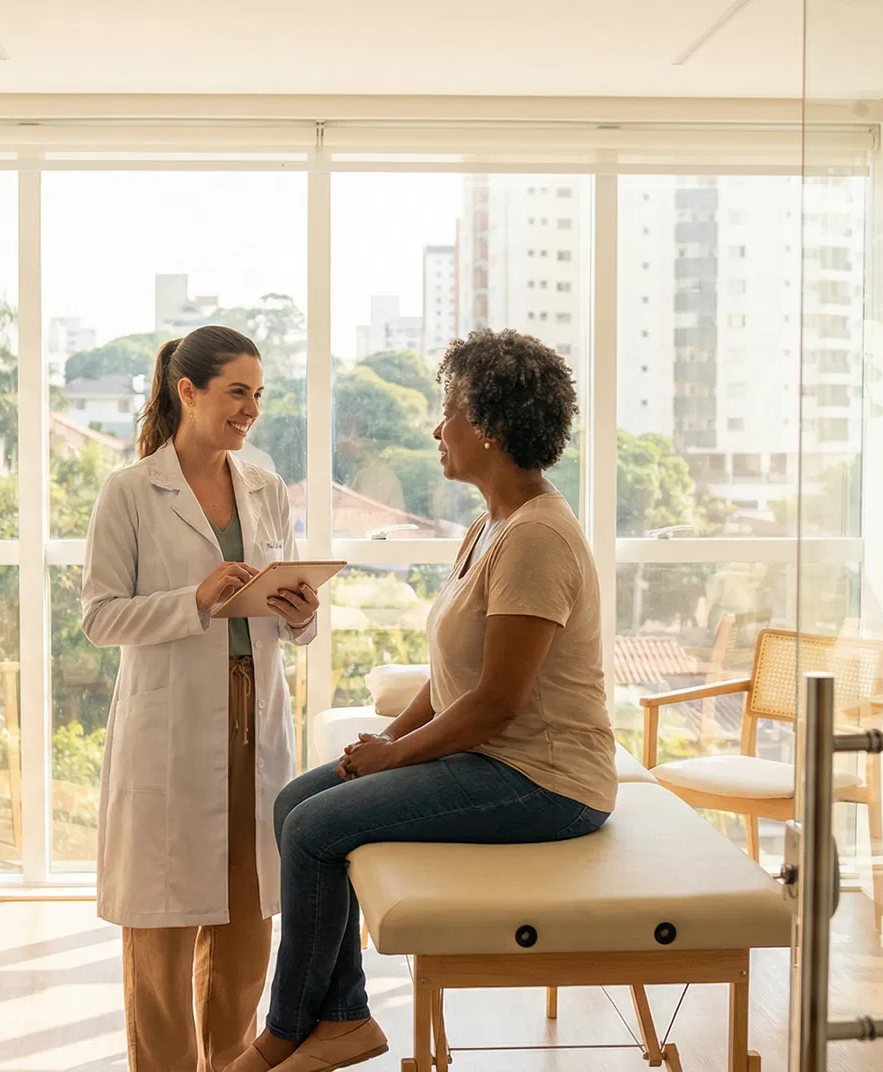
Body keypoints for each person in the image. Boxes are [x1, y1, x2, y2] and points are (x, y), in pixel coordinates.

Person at [227, 329, 617, 1072]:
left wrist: (395, 756)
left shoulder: (537, 539)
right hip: (494, 759)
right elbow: (451, 680)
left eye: (451, 413)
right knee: (295, 805)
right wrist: (381, 746)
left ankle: (283, 1033)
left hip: (547, 781)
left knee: (313, 830)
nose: (438, 429)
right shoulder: (488, 526)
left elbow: (497, 703)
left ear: (493, 427)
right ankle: (342, 1019)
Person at [81, 324, 321, 1072]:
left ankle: (235, 1064)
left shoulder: (267, 488)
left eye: (258, 395)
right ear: (188, 392)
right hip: (172, 725)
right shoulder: (129, 491)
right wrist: (195, 599)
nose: (250, 409)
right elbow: (99, 616)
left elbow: (292, 623)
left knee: (248, 926)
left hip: (255, 716)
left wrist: (303, 613)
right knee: (161, 932)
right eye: (236, 392)